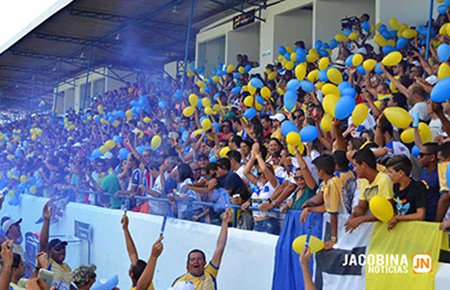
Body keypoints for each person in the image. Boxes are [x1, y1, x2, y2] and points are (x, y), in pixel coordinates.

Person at [172, 208, 232, 290]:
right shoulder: (180, 282)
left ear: (204, 263)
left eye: (199, 259)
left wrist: (225, 223)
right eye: (192, 259)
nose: (196, 261)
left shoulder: (210, 273)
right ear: (187, 266)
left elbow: (220, 246)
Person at [345, 149, 394, 233]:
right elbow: (361, 206)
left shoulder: (384, 180)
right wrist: (354, 215)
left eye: (355, 165)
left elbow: (388, 210)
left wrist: (361, 219)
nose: (354, 169)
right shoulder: (364, 181)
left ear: (364, 165)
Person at [385, 156, 426, 230]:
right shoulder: (395, 186)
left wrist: (398, 218)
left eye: (390, 172)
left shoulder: (418, 187)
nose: (388, 175)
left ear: (400, 173)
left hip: (415, 230)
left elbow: (420, 215)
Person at [39, 203, 72, 289]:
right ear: (50, 251)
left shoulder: (67, 267)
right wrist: (47, 220)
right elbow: (43, 244)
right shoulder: (48, 262)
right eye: (58, 249)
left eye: (63, 249)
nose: (62, 251)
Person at [120, 212, 155, 290]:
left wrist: (154, 256)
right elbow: (132, 254)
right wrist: (125, 229)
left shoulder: (141, 287)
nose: (131, 263)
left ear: (132, 274)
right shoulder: (149, 283)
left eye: (131, 266)